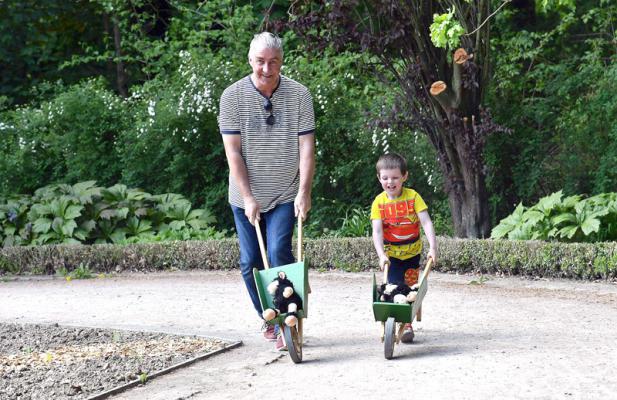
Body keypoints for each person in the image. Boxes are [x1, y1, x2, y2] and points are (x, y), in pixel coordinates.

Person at [218, 32, 315, 351]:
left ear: (281, 62)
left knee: (278, 253)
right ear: (250, 61)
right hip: (245, 196)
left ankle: (290, 316)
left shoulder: (300, 94)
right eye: (260, 61)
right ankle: (270, 317)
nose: (266, 68)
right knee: (250, 262)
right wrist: (247, 198)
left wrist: (304, 191)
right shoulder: (231, 97)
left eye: (273, 61)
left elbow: (306, 147)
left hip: (285, 192)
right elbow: (233, 152)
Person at [370, 152, 437, 343]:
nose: (390, 182)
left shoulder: (413, 197)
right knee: (393, 288)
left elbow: (426, 223)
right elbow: (377, 232)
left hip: (412, 254)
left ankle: (407, 323)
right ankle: (397, 321)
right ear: (379, 178)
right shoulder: (379, 203)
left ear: (404, 176)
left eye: (395, 177)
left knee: (409, 287)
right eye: (385, 178)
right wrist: (381, 255)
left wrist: (433, 247)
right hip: (392, 257)